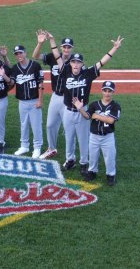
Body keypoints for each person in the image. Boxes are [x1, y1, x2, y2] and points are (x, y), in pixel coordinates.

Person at [49, 33, 124, 175]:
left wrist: (115, 48)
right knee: (69, 137)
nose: (76, 64)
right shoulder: (65, 71)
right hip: (68, 111)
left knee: (83, 138)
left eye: (78, 62)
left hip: (83, 110)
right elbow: (57, 56)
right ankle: (70, 160)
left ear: (82, 64)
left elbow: (102, 62)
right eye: (73, 62)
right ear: (70, 63)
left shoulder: (88, 74)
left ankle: (84, 163)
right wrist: (52, 40)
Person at [32, 30, 75, 159]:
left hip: (70, 98)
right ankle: (51, 148)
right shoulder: (52, 57)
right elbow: (35, 56)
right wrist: (40, 43)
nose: (66, 49)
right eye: (65, 47)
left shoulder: (76, 61)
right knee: (50, 124)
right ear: (61, 47)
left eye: (69, 47)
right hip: (56, 96)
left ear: (72, 48)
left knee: (69, 128)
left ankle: (70, 157)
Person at [73, 81, 121, 186]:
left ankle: (110, 175)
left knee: (110, 157)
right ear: (102, 91)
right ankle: (92, 172)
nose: (107, 93)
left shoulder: (115, 106)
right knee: (93, 156)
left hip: (108, 137)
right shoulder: (94, 104)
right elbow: (87, 116)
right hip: (94, 136)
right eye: (105, 90)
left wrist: (97, 116)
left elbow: (111, 121)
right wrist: (80, 109)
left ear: (113, 92)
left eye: (109, 91)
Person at [11, 45, 44, 158]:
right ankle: (24, 145)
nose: (19, 55)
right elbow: (11, 82)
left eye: (20, 53)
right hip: (22, 101)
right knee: (24, 124)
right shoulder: (15, 68)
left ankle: (37, 147)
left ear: (25, 53)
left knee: (36, 126)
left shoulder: (35, 65)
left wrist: (40, 100)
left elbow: (40, 84)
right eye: (16, 54)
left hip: (34, 100)